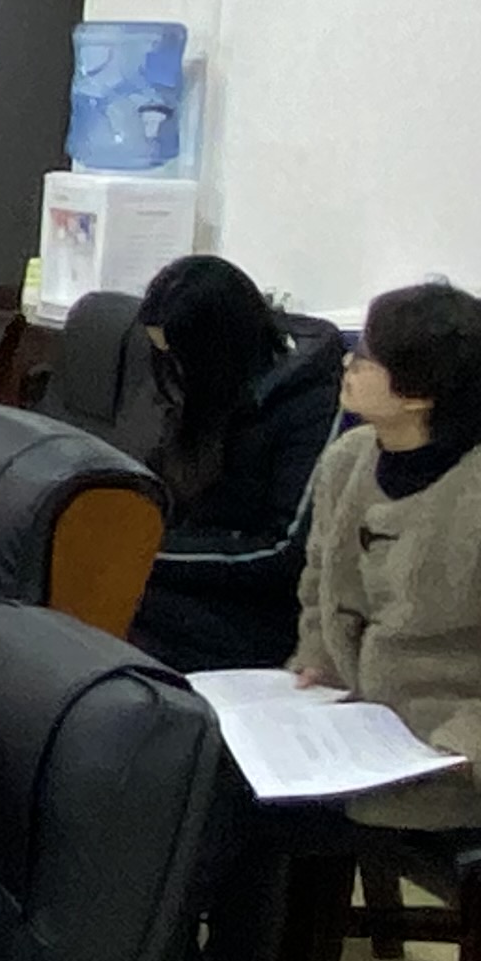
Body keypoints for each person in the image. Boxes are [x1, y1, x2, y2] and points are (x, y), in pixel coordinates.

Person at [122, 281, 481, 961]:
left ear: (420, 391)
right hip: (376, 731)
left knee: (240, 799)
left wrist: (468, 747)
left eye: (371, 357)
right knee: (206, 752)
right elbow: (321, 583)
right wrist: (317, 665)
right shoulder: (352, 460)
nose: (349, 363)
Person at [126, 254, 349, 674]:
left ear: (214, 352)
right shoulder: (201, 384)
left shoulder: (312, 403)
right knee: (83, 590)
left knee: (112, 605)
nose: (171, 372)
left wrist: (146, 554)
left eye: (179, 358)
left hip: (259, 609)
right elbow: (166, 487)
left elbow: (283, 553)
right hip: (192, 573)